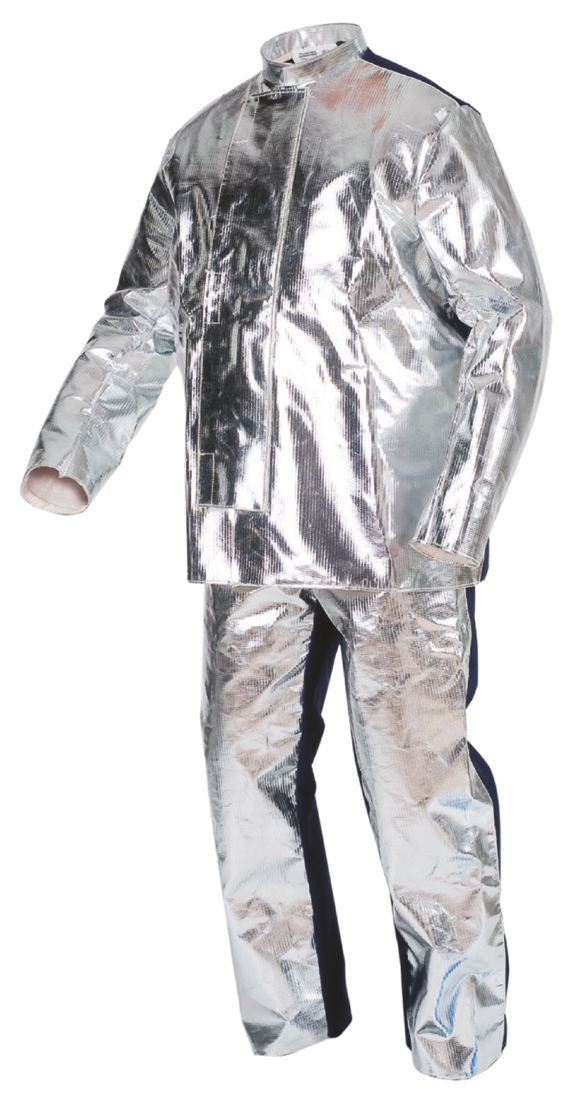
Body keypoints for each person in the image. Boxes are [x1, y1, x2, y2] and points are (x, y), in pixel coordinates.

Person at [20, 22, 551, 1079]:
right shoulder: (203, 145)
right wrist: (70, 452)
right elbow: (144, 315)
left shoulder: (419, 125)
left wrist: (459, 513)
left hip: (396, 530)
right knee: (240, 780)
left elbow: (506, 315)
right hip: (245, 526)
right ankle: (290, 1019)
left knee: (417, 788)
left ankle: (458, 1039)